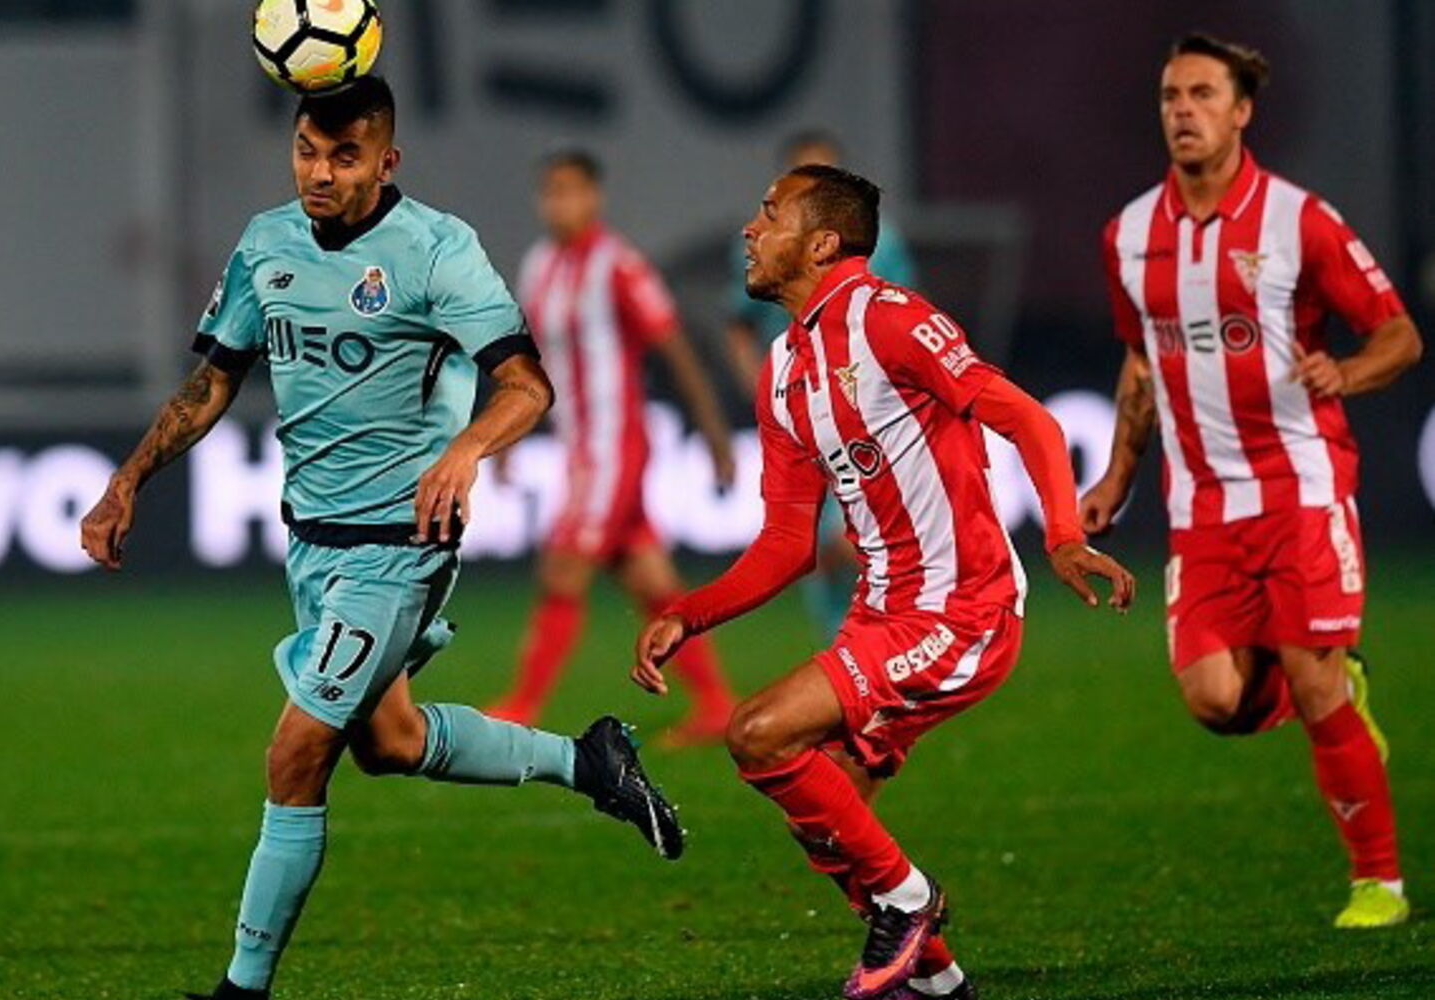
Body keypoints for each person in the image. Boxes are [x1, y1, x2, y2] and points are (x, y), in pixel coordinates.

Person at [79, 78, 684, 1000]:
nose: (320, 174)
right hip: (312, 545)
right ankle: (588, 761)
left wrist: (465, 452)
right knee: (389, 742)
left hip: (402, 544)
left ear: (386, 161)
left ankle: (241, 989)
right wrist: (127, 481)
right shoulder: (266, 243)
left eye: (344, 156)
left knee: (296, 753)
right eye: (306, 153)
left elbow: (527, 386)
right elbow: (212, 383)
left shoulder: (437, 250)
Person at [635, 164, 1134, 1000]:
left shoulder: (892, 319)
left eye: (770, 215)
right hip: (880, 616)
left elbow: (1029, 419)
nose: (750, 231)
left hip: (962, 609)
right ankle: (938, 983)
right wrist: (691, 613)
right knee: (827, 820)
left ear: (821, 243)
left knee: (757, 732)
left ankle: (910, 901)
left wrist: (1062, 534)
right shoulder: (783, 368)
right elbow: (787, 542)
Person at [1083, 34, 1423, 929]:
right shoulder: (1128, 236)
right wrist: (1117, 474)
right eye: (1171, 96)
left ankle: (1378, 883)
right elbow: (1140, 363)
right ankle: (1331, 683)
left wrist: (1346, 373)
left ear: (1242, 112)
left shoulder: (1298, 220)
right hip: (1200, 504)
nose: (1182, 111)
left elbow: (1398, 335)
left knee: (1312, 685)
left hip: (1301, 488)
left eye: (1203, 94)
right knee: (1216, 701)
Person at [485, 149, 738, 745]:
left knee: (563, 566)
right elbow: (527, 359)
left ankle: (523, 703)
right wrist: (506, 435)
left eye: (570, 191)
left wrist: (715, 434)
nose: (559, 203)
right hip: (578, 447)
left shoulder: (618, 265)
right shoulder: (540, 265)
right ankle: (717, 703)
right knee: (650, 578)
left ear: (593, 196)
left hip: (615, 447)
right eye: (550, 192)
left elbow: (676, 349)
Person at [723, 129, 920, 643]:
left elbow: (905, 319)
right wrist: (764, 392)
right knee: (812, 546)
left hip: (865, 411)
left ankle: (883, 650)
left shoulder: (883, 242)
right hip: (800, 413)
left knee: (849, 541)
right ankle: (855, 654)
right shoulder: (761, 243)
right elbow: (738, 325)